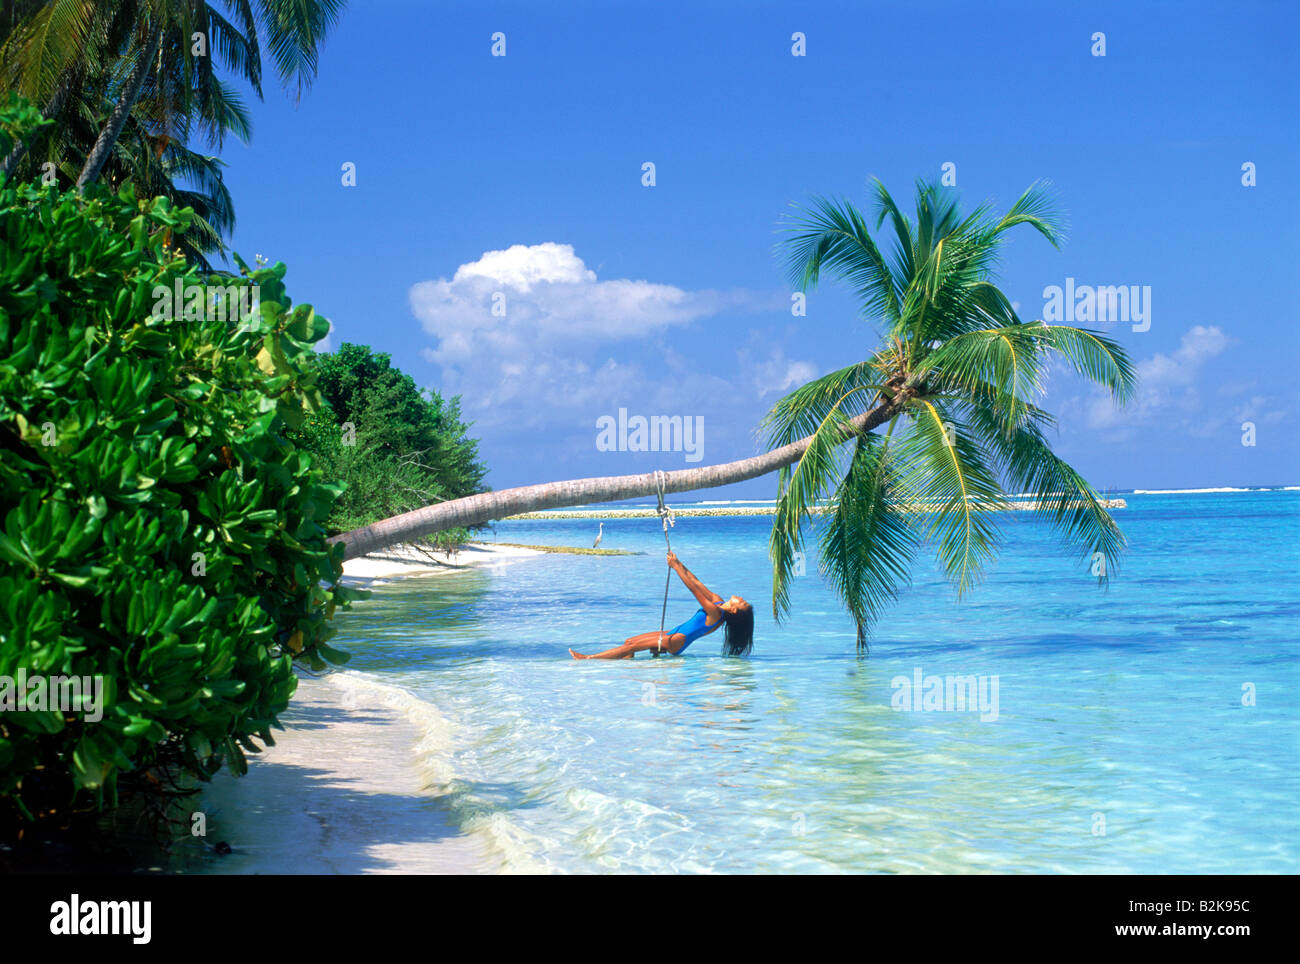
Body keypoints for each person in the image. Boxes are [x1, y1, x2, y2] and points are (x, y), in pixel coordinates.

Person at [569, 551, 754, 659]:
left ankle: (588, 659)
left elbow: (693, 591)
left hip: (676, 641)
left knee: (631, 647)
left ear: (735, 610)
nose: (741, 597)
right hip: (672, 632)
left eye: (743, 602)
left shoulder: (715, 613)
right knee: (629, 642)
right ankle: (624, 670)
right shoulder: (718, 601)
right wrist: (679, 563)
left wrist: (674, 568)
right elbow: (696, 582)